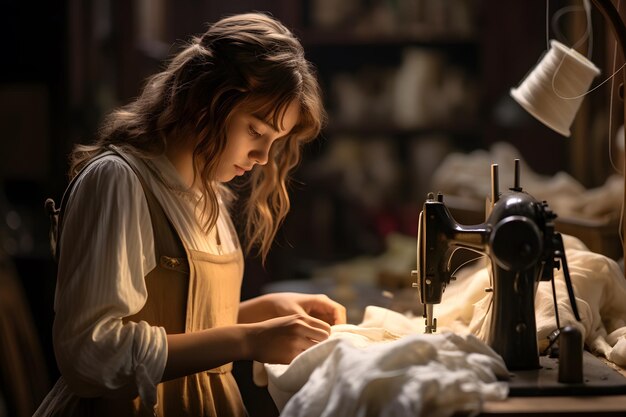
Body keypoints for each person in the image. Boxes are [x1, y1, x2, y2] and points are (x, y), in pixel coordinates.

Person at [35, 12, 346, 417]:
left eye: (275, 141)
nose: (263, 157)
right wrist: (248, 340)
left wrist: (262, 311)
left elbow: (175, 322)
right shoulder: (119, 181)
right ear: (206, 99)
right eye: (255, 130)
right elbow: (90, 354)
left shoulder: (206, 190)